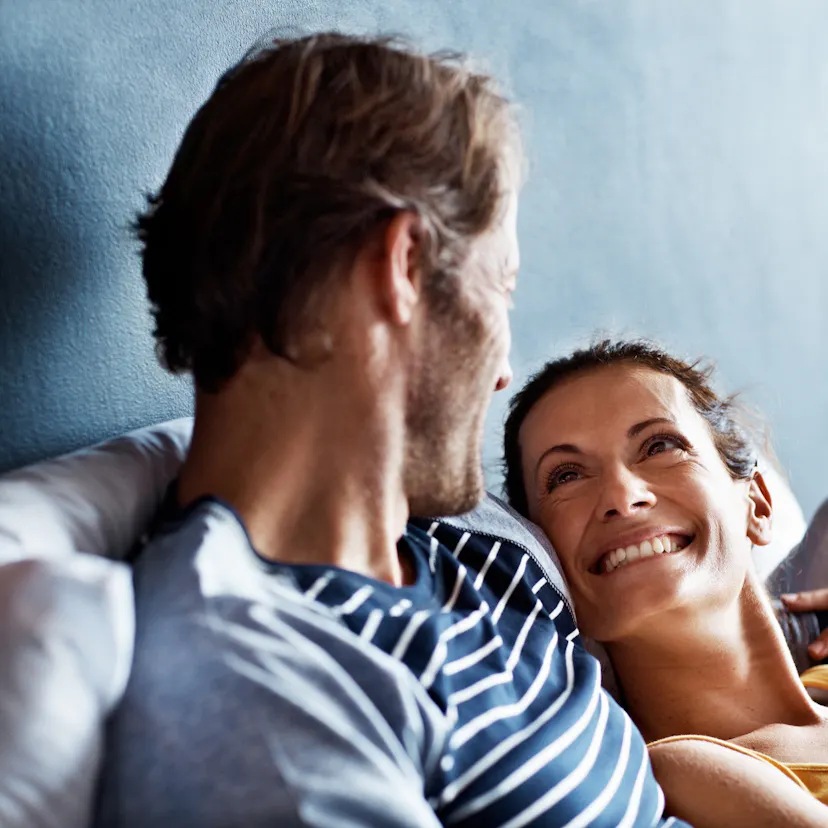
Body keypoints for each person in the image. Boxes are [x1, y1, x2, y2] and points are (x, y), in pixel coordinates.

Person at [92, 33, 687, 828]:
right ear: (404, 264)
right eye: (500, 288)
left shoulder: (482, 554)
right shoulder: (257, 675)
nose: (505, 372)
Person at [503, 338, 828, 821]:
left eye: (660, 445)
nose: (621, 493)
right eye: (565, 476)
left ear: (757, 505)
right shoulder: (679, 774)